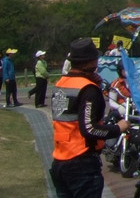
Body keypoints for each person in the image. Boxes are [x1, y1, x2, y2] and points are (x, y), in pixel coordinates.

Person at [50, 38, 129, 198]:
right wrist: (118, 128)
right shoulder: (88, 89)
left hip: (60, 158)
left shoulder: (61, 84)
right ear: (89, 62)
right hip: (81, 161)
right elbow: (89, 129)